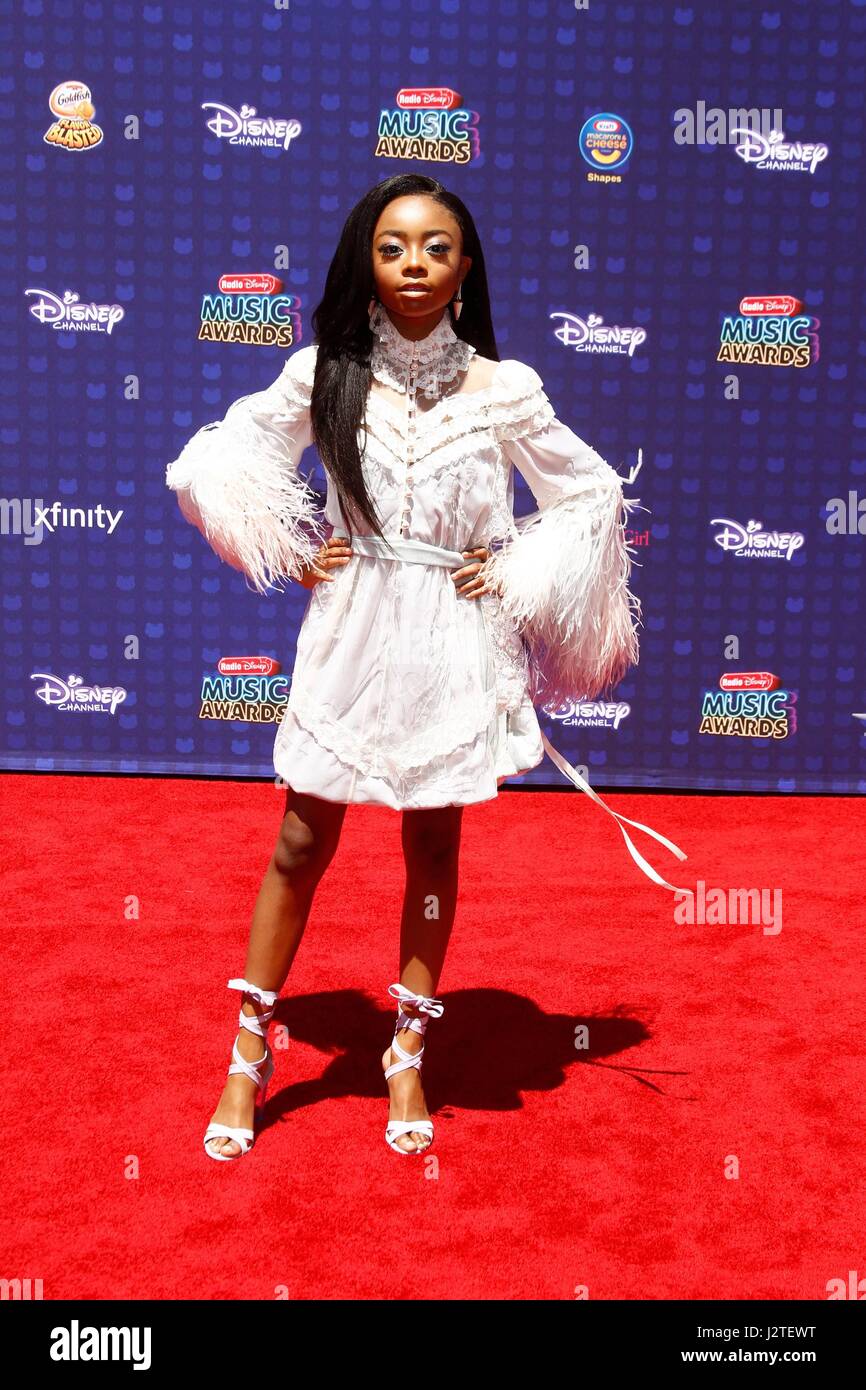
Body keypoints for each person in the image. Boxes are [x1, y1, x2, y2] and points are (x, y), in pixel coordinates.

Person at [165, 173, 687, 1162]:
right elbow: (215, 461)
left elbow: (589, 494)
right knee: (297, 841)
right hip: (352, 630)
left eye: (435, 247)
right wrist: (289, 538)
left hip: (454, 637)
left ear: (465, 265)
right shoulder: (320, 371)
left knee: (432, 851)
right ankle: (249, 1050)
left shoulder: (507, 389)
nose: (414, 266)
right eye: (394, 245)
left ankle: (406, 1046)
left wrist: (519, 564)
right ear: (367, 258)